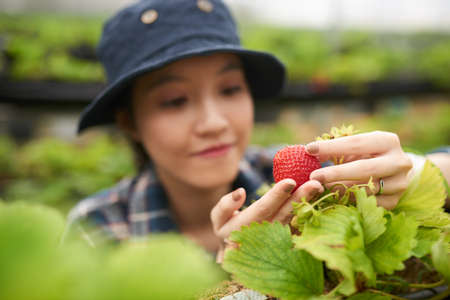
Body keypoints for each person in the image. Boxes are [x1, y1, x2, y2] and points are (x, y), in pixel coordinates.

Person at [67, 0, 450, 257]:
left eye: (231, 89)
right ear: (129, 121)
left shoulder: (303, 175)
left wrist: (415, 173)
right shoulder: (99, 231)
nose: (215, 123)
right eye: (174, 101)